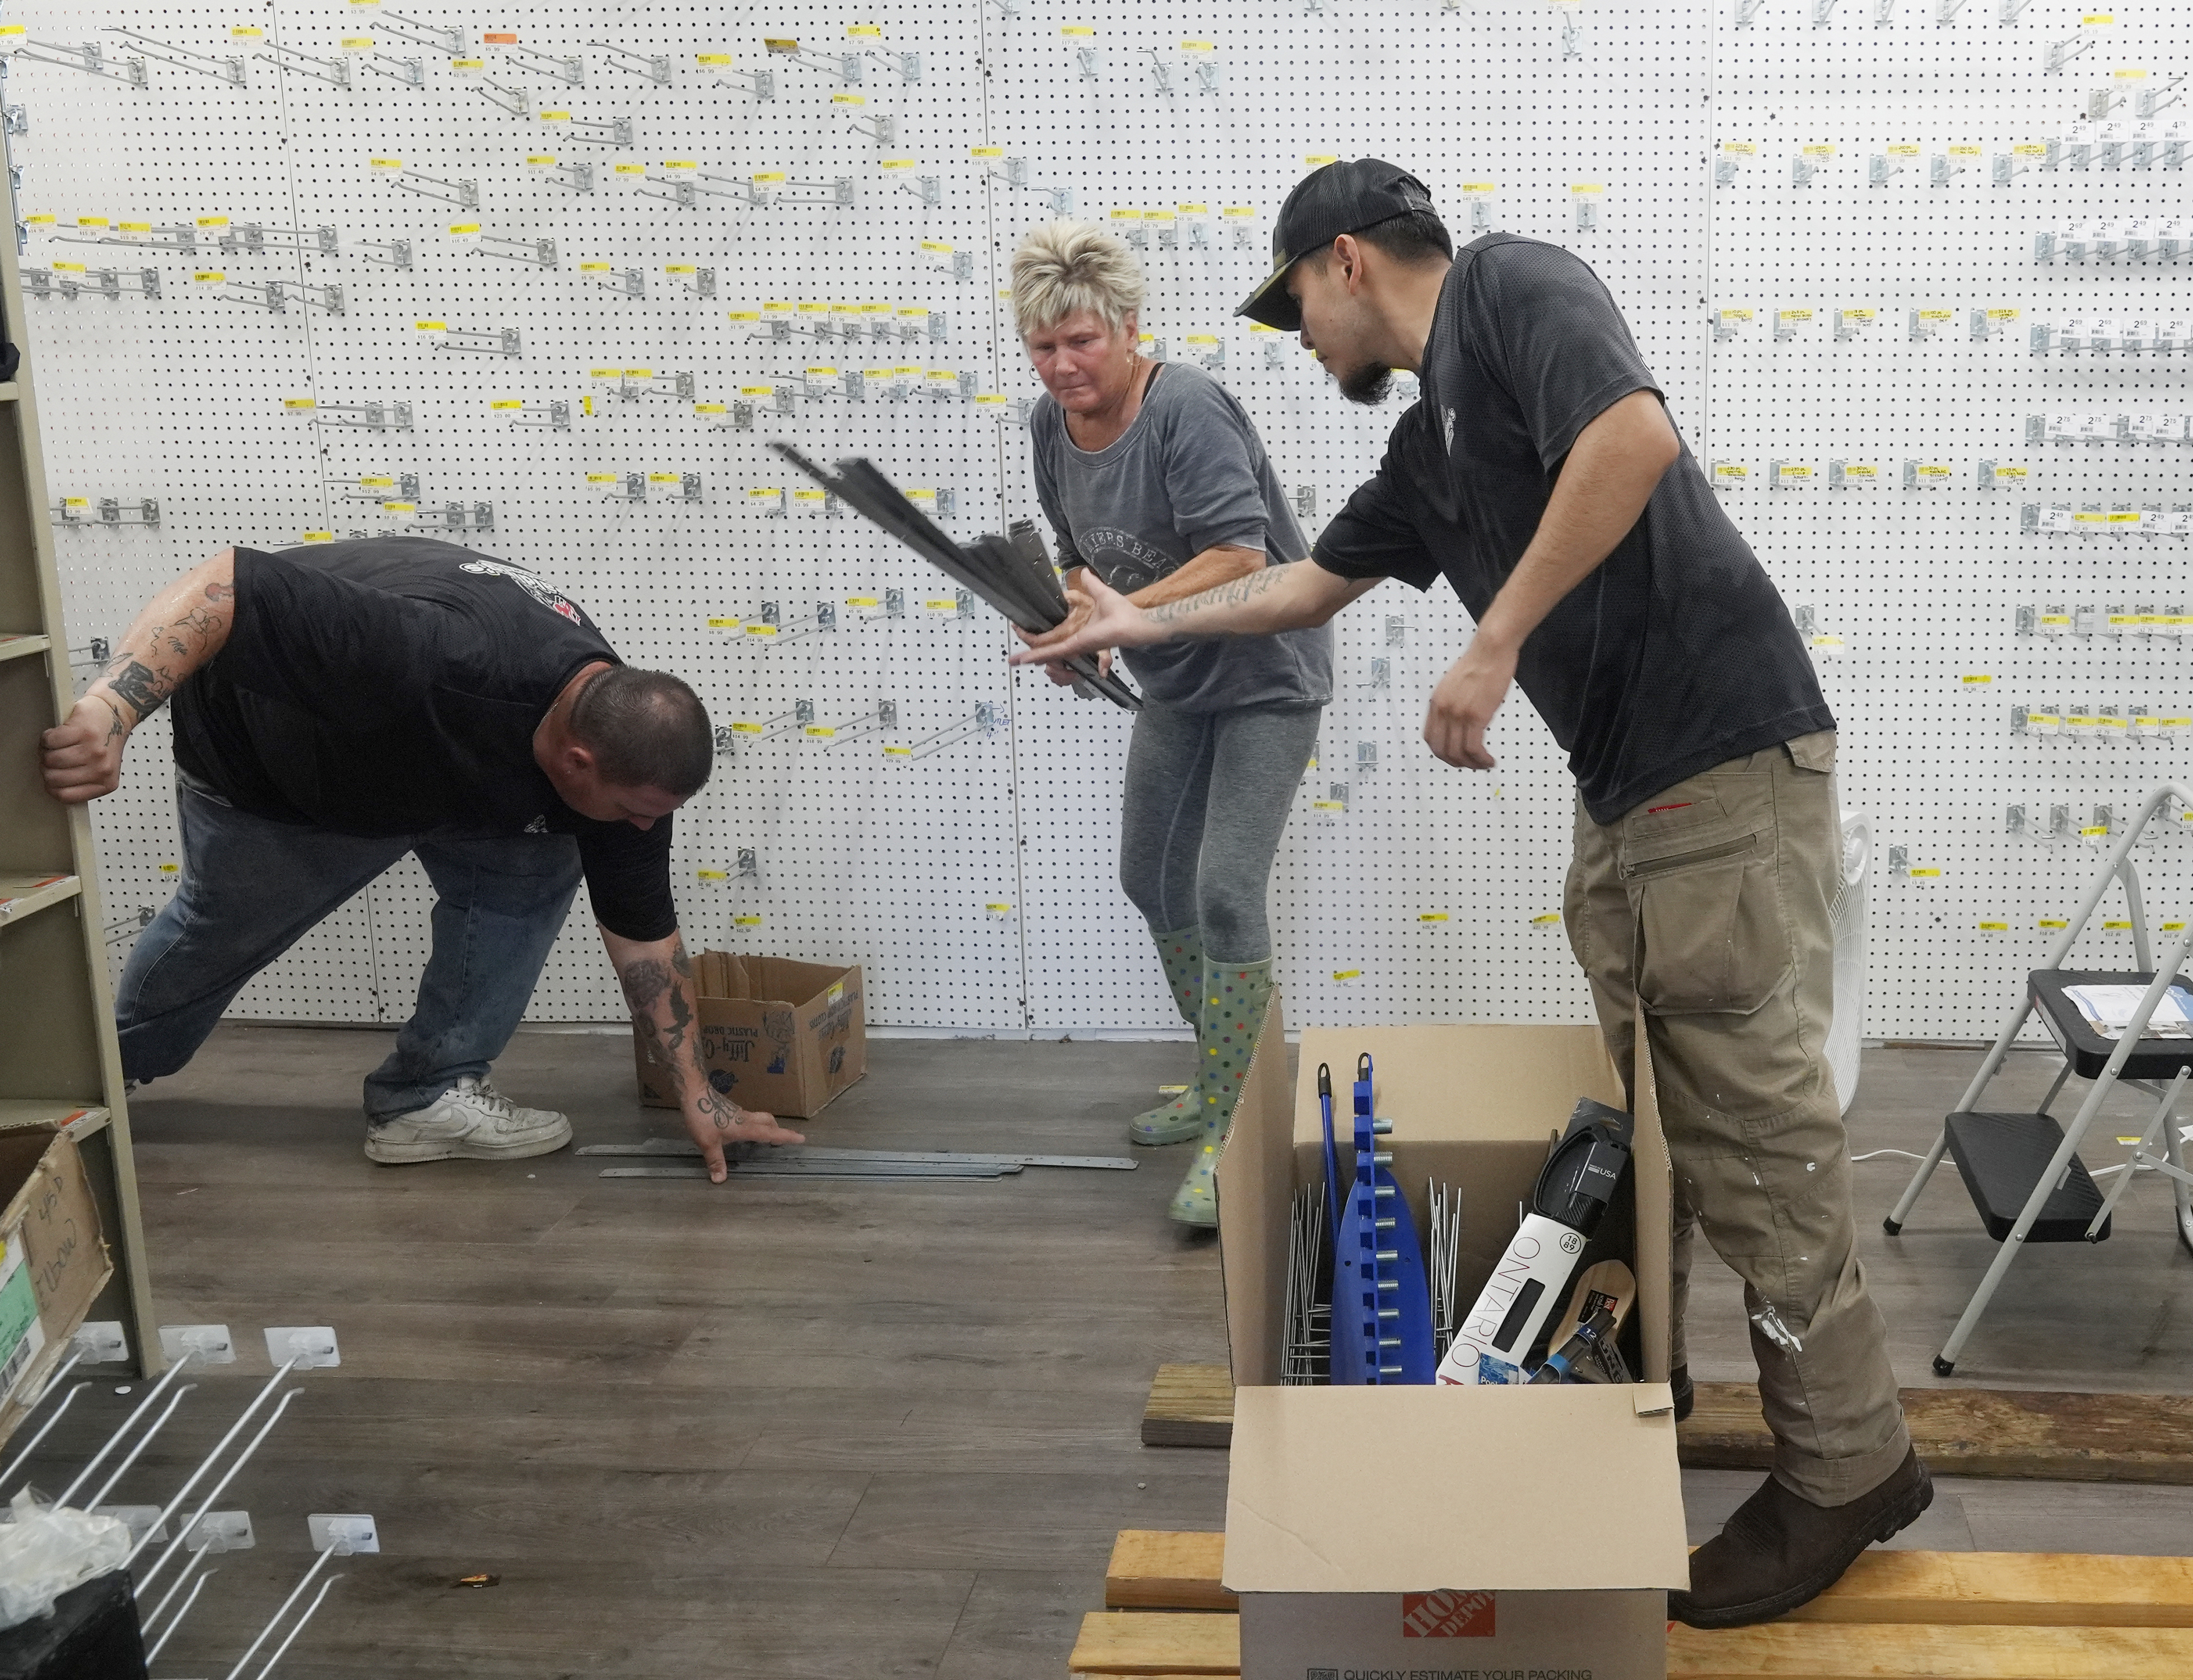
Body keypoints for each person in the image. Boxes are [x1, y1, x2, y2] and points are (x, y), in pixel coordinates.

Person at [1015, 161, 1928, 1623]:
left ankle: (1846, 1467)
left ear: (1346, 263)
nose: (1299, 338)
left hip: (1721, 767)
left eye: (1296, 304)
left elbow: (1628, 439)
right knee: (1657, 1127)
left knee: (1752, 1146)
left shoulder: (1512, 286)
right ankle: (1658, 1389)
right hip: (1635, 799)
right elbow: (1305, 587)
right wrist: (1141, 613)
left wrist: (1494, 638)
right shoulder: (1427, 461)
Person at [39, 535, 804, 1182]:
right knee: (220, 933)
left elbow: (644, 936)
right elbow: (226, 584)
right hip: (282, 767)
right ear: (576, 761)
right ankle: (82, 1079)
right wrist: (111, 708)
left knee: (537, 864)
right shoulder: (434, 655)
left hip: (440, 771)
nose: (643, 828)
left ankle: (425, 1097)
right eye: (634, 811)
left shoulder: (626, 753)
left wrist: (700, 1094)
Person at [1011, 220, 1332, 1228]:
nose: (1061, 366)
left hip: (1268, 673)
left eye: (1081, 343)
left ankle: (1234, 1127)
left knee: (1225, 890)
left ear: (1128, 330)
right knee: (1149, 876)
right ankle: (1221, 1076)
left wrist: (1130, 620)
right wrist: (1078, 624)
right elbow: (1080, 560)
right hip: (1178, 677)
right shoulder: (1046, 428)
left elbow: (1241, 554)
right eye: (1043, 345)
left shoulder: (1184, 408)